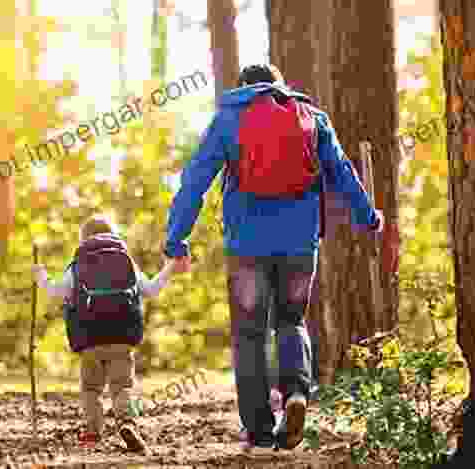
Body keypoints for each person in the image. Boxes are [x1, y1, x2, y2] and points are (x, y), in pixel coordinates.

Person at [162, 64, 383, 451]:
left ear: (243, 89)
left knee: (249, 334)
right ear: (280, 86)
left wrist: (176, 239)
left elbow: (195, 180)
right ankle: (297, 394)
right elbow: (343, 172)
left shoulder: (230, 117)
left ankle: (261, 431)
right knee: (291, 320)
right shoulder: (311, 118)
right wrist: (368, 218)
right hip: (299, 243)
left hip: (247, 244)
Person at [32, 214, 188, 453]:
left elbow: (56, 291)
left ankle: (93, 431)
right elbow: (151, 289)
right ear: (114, 236)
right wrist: (170, 267)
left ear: (84, 239)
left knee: (91, 389)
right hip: (122, 338)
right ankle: (126, 422)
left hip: (89, 339)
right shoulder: (126, 262)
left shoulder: (78, 264)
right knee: (122, 386)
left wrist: (41, 275)